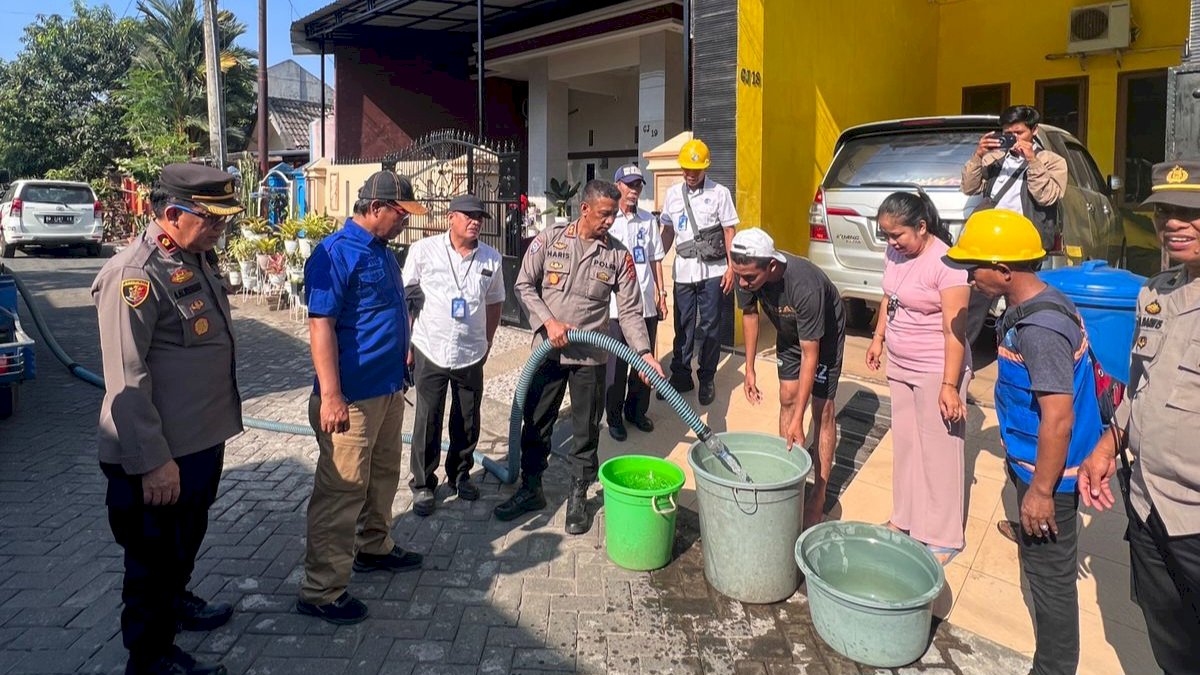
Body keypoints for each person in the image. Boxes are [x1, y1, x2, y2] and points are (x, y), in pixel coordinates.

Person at [92, 163, 244, 675]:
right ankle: (149, 654)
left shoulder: (195, 256)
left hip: (200, 441)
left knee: (185, 539)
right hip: (160, 455)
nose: (222, 228)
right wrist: (154, 461)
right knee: (151, 559)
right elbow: (127, 380)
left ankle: (176, 602)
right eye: (213, 218)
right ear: (173, 214)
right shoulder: (134, 273)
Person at [944, 209, 1103, 675]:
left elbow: (1057, 419)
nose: (969, 277)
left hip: (1051, 478)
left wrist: (1039, 493)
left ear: (1004, 271)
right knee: (1043, 570)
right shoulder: (1030, 306)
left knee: (1050, 584)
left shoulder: (1040, 331)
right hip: (1032, 465)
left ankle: (1052, 668)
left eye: (975, 267)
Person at [1077, 160, 1200, 673]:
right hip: (1149, 505)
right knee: (1169, 637)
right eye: (1165, 212)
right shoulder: (1156, 292)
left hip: (1195, 517)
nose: (1173, 223)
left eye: (1191, 212)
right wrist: (1109, 443)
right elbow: (1139, 385)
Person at [495, 179, 665, 534]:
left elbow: (632, 312)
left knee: (586, 430)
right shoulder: (550, 240)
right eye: (605, 214)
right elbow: (523, 284)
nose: (610, 222)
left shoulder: (618, 256)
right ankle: (531, 488)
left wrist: (644, 354)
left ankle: (578, 497)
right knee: (537, 421)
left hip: (591, 355)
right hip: (549, 350)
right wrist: (548, 322)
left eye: (614, 216)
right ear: (584, 209)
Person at [297, 170, 427, 625]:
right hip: (350, 398)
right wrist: (330, 395)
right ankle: (321, 590)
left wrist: (403, 349)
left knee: (383, 475)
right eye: (400, 214)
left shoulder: (384, 254)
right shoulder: (334, 254)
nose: (404, 223)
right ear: (375, 208)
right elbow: (321, 325)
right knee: (341, 492)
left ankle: (374, 545)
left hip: (388, 389)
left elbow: (390, 310)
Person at [865, 192, 971, 564]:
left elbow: (953, 331)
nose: (892, 243)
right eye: (886, 236)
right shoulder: (895, 253)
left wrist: (949, 385)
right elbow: (888, 298)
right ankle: (905, 520)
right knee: (907, 446)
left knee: (939, 451)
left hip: (936, 368)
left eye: (898, 236)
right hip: (901, 362)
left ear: (922, 228)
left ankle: (943, 536)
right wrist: (878, 338)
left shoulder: (948, 263)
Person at [730, 228, 845, 529]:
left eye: (749, 278)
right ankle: (789, 478)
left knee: (822, 409)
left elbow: (812, 354)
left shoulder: (804, 285)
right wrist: (750, 368)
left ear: (771, 265)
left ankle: (819, 493)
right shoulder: (745, 268)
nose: (742, 283)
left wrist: (799, 418)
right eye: (738, 276)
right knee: (787, 398)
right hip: (788, 332)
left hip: (823, 338)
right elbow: (750, 315)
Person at [402, 194, 505, 516]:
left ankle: (460, 475)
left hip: (471, 351)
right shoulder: (424, 250)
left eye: (480, 217)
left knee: (467, 418)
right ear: (451, 217)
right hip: (430, 347)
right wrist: (406, 344)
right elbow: (407, 298)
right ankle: (422, 484)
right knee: (428, 418)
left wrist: (487, 342)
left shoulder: (491, 259)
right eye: (469, 216)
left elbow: (495, 303)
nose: (475, 222)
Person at [961, 104, 1068, 342]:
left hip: (1024, 246)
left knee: (1021, 303)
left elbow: (1047, 196)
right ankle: (960, 352)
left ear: (1034, 131)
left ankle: (1019, 348)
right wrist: (977, 156)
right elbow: (969, 187)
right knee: (975, 300)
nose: (1014, 138)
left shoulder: (1052, 161)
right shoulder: (995, 159)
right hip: (990, 242)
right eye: (1008, 133)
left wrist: (1032, 160)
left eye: (1019, 133)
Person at [658, 138, 739, 405]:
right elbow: (668, 230)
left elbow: (729, 231)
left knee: (710, 327)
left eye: (695, 170)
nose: (690, 175)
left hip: (713, 272)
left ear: (705, 168)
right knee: (683, 327)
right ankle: (680, 376)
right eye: (686, 169)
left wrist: (732, 268)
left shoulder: (719, 193)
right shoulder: (672, 194)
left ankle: (706, 377)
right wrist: (656, 257)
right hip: (683, 272)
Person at [605, 165, 666, 441]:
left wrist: (661, 293)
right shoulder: (609, 220)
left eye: (638, 185)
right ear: (617, 185)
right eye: (629, 185)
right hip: (616, 308)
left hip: (645, 303)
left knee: (645, 362)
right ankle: (614, 417)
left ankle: (637, 411)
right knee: (616, 366)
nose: (634, 191)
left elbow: (655, 258)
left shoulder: (647, 220)